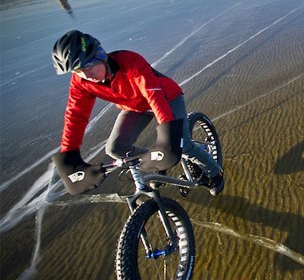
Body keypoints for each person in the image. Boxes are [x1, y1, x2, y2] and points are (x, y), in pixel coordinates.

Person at [51, 30, 224, 196]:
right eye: (78, 71)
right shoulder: (81, 82)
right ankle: (156, 165)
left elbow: (153, 95)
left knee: (182, 145)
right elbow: (75, 115)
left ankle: (216, 174)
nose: (86, 74)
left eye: (88, 66)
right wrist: (69, 154)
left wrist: (168, 137)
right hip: (135, 108)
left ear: (100, 55)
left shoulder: (129, 61)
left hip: (167, 98)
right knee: (115, 148)